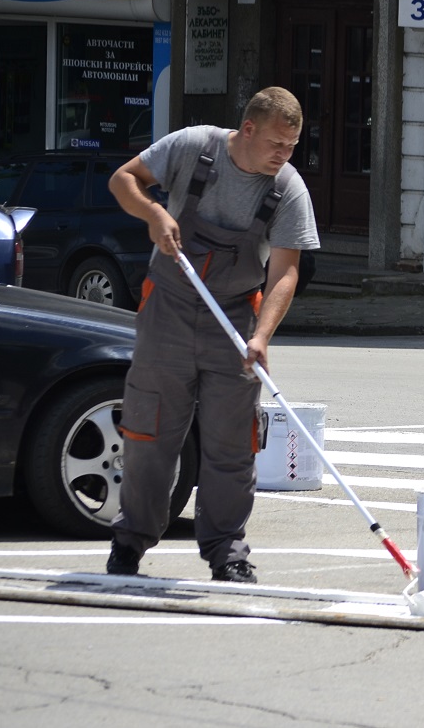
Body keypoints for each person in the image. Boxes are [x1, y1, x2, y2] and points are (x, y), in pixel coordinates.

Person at [106, 87, 320, 584]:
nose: (284, 156)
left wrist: (263, 336)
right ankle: (129, 543)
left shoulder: (288, 189)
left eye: (291, 147)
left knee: (231, 445)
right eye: (276, 144)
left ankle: (227, 552)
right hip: (168, 310)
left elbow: (284, 271)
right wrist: (154, 213)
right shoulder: (192, 147)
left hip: (235, 318)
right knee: (150, 433)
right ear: (248, 129)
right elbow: (123, 180)